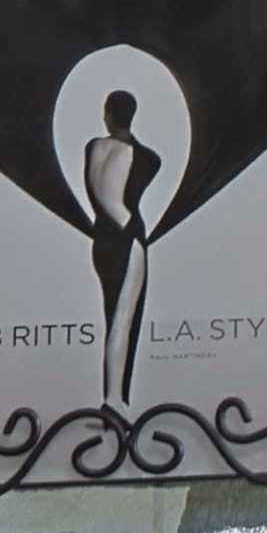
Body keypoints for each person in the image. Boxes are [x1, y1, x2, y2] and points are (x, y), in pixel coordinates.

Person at [80, 89, 163, 411]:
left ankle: (113, 396)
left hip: (101, 238)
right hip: (128, 236)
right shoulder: (144, 157)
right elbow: (149, 167)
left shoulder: (93, 148)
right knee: (123, 318)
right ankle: (114, 399)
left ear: (109, 115)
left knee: (111, 314)